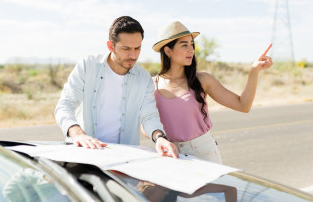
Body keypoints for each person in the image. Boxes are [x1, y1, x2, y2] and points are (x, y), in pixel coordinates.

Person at [55, 16, 178, 158]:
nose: (133, 55)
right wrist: (77, 133)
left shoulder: (144, 79)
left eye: (137, 48)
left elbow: (149, 116)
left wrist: (160, 137)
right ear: (110, 46)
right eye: (126, 48)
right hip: (84, 154)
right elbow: (65, 105)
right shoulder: (87, 66)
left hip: (123, 160)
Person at [151, 21, 273, 163]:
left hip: (204, 153)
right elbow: (145, 126)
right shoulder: (152, 85)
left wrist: (254, 71)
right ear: (167, 51)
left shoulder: (202, 80)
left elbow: (243, 105)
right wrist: (161, 139)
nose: (191, 50)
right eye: (184, 45)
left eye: (192, 44)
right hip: (171, 154)